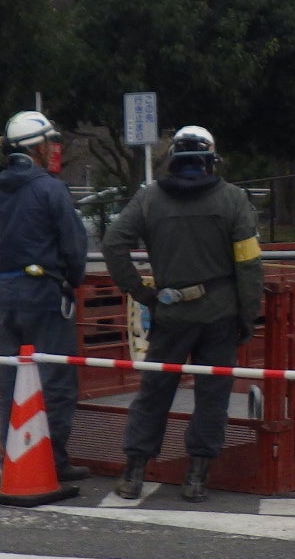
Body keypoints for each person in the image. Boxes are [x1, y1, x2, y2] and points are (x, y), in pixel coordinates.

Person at [103, 124, 264, 502]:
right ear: (211, 161)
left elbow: (113, 245)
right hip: (220, 315)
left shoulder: (149, 199)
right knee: (212, 395)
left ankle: (134, 473)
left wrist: (142, 293)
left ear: (174, 159)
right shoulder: (233, 200)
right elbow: (249, 266)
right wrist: (247, 315)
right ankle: (196, 478)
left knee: (155, 391)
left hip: (170, 314)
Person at [0, 110, 90, 482]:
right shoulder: (50, 189)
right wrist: (71, 281)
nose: (52, 149)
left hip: (8, 292)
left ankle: (13, 455)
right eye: (49, 143)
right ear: (37, 148)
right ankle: (53, 460)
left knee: (12, 381)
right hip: (45, 292)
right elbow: (75, 246)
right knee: (57, 379)